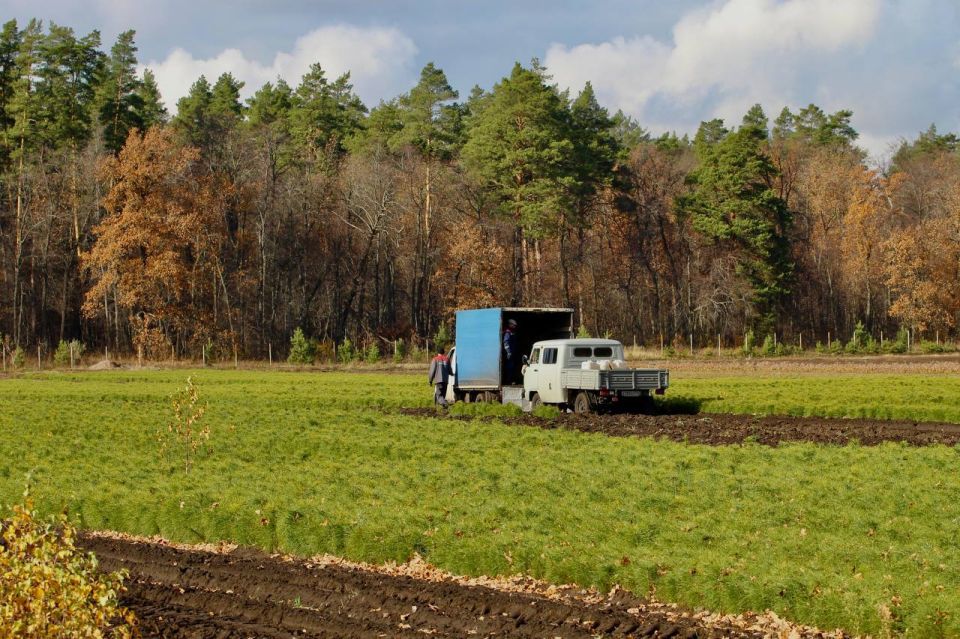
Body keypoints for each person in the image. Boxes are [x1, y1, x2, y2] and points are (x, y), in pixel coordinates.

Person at [503, 319, 518, 384]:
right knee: (509, 367)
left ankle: (510, 380)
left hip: (512, 353)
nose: (515, 327)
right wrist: (508, 352)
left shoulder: (512, 332)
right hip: (509, 353)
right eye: (514, 325)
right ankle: (508, 381)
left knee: (512, 367)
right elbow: (506, 342)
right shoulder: (508, 332)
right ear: (510, 325)